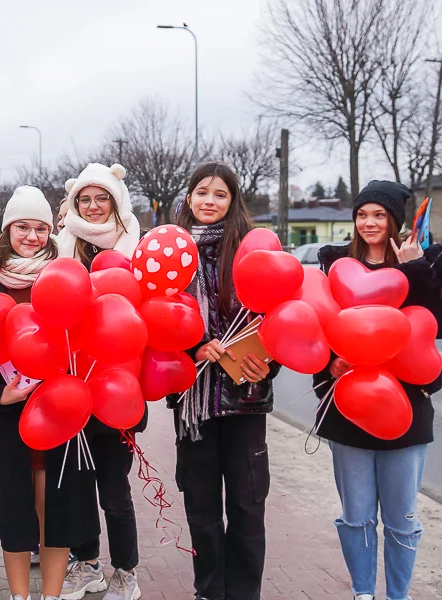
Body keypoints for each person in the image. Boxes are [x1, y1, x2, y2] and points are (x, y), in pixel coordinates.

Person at [313, 180, 442, 600]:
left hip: (405, 412)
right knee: (357, 516)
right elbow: (318, 331)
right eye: (362, 214)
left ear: (394, 222)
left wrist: (415, 269)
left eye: (379, 215)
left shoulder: (425, 265)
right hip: (348, 410)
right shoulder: (334, 265)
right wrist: (328, 366)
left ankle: (398, 595)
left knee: (402, 518)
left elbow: (430, 329)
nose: (369, 222)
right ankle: (363, 593)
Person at [0, 186, 99, 600]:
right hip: (8, 419)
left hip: (60, 415)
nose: (32, 236)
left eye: (41, 228)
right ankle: (19, 596)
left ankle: (52, 596)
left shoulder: (66, 279)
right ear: (7, 230)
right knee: (14, 511)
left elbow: (89, 341)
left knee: (59, 511)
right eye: (23, 226)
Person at [169, 161, 281, 600]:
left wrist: (267, 366)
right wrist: (191, 349)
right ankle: (210, 591)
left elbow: (279, 323)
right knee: (201, 508)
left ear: (233, 201)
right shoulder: (171, 253)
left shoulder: (252, 253)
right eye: (202, 193)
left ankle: (245, 593)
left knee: (248, 505)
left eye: (219, 194)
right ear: (189, 198)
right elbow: (156, 325)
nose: (209, 202)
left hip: (245, 400)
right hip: (193, 404)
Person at [55, 163, 145, 600]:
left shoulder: (136, 248)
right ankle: (86, 563)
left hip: (116, 385)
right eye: (84, 199)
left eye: (101, 198)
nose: (92, 207)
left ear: (115, 200)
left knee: (114, 488)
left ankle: (126, 571)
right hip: (70, 383)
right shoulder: (61, 246)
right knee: (76, 485)